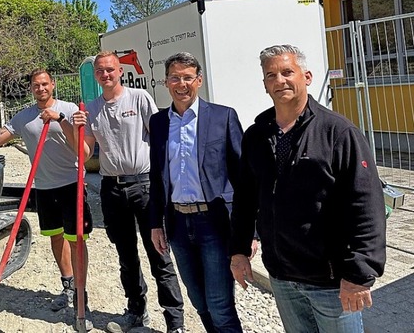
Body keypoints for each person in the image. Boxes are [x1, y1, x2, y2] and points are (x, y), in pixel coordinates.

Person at [229, 44, 386, 333]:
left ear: (307, 76)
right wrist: (239, 250)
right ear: (264, 85)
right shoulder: (257, 135)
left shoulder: (338, 132)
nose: (280, 81)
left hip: (331, 282)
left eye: (288, 72)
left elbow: (366, 205)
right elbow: (245, 199)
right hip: (282, 278)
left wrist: (359, 274)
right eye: (271, 75)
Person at [0, 68, 94, 331]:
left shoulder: (69, 109)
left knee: (76, 241)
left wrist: (60, 120)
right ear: (31, 89)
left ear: (53, 85)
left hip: (71, 184)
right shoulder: (24, 117)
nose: (41, 89)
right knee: (56, 238)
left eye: (45, 84)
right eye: (36, 85)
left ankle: (82, 297)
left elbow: (83, 151)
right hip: (44, 187)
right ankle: (68, 286)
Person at [71, 51, 185, 333]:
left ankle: (175, 322)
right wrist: (75, 130)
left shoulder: (139, 98)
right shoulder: (92, 108)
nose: (105, 75)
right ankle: (136, 312)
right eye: (100, 71)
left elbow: (159, 141)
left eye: (110, 69)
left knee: (158, 253)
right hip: (112, 188)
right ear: (95, 75)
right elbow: (84, 154)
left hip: (144, 185)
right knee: (126, 256)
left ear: (120, 70)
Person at [149, 52, 244, 332]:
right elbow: (157, 177)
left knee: (219, 304)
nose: (181, 84)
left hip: (214, 223)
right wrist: (156, 224)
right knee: (199, 301)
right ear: (166, 82)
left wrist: (248, 231)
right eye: (175, 78)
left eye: (188, 77)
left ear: (199, 80)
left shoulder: (223, 117)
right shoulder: (158, 123)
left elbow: (242, 177)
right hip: (178, 226)